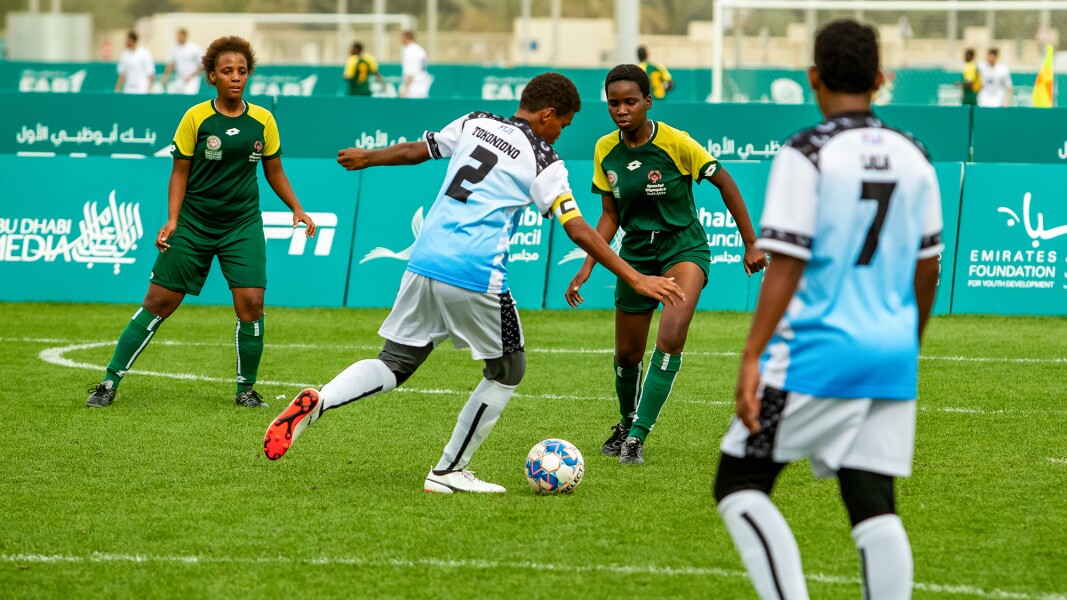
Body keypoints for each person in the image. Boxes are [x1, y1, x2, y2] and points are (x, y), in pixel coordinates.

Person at [262, 72, 684, 493]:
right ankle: (448, 470)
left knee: (395, 361)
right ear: (548, 114)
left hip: (423, 261)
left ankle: (321, 400)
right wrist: (637, 278)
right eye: (563, 125)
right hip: (475, 271)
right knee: (508, 369)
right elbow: (577, 229)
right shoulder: (543, 160)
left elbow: (415, 150)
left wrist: (367, 157)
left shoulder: (474, 122)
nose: (560, 134)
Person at [712, 19, 943, 599]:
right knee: (872, 498)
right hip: (891, 353)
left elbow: (785, 263)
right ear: (881, 78)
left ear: (812, 76)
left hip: (819, 350)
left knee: (738, 483)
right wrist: (906, 341)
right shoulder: (915, 154)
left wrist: (751, 355)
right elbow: (928, 268)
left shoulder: (807, 150)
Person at [86, 36, 317, 409]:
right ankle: (108, 382)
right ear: (212, 76)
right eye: (227, 71)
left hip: (241, 225)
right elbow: (179, 172)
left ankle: (246, 389)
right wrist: (173, 219)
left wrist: (297, 208)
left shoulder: (263, 120)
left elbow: (274, 169)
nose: (236, 78)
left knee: (252, 304)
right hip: (193, 224)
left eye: (242, 71)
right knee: (159, 301)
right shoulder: (196, 117)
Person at [565, 64, 765, 466]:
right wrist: (588, 265)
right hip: (636, 255)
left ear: (647, 102)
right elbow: (610, 215)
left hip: (683, 249)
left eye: (630, 102)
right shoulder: (605, 149)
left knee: (671, 335)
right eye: (613, 103)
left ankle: (637, 436)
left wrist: (750, 243)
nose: (621, 110)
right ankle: (625, 423)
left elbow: (725, 182)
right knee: (627, 355)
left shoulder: (676, 142)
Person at [162, 28, 204, 95]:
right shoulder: (174, 48)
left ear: (185, 35)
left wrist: (191, 76)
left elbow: (201, 65)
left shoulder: (194, 48)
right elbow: (171, 64)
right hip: (179, 79)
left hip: (192, 80)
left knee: (189, 98)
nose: (178, 37)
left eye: (180, 35)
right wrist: (166, 76)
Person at [399, 30, 430, 98]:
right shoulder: (419, 49)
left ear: (406, 38)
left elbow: (411, 74)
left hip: (413, 87)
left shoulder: (409, 51)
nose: (400, 40)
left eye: (401, 37)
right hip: (422, 85)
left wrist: (405, 89)